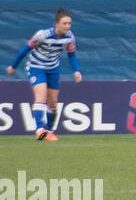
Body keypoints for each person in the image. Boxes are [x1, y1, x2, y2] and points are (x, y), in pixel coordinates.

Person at [7, 8, 82, 142]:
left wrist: (76, 70)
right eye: (64, 23)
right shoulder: (43, 35)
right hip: (36, 67)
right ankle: (40, 130)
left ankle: (49, 131)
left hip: (53, 69)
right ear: (57, 23)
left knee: (52, 103)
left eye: (69, 23)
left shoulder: (70, 37)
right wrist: (13, 66)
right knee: (41, 96)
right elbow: (25, 50)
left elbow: (72, 54)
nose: (67, 26)